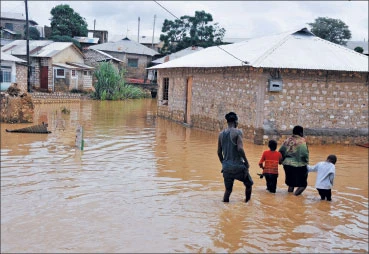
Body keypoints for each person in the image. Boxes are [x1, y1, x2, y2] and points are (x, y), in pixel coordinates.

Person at [217, 112, 253, 203]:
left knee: (228, 190)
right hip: (238, 167)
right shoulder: (238, 132)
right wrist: (247, 163)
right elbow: (240, 149)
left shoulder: (221, 134)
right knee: (249, 184)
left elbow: (219, 152)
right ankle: (247, 204)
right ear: (236, 122)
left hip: (227, 168)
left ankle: (225, 206)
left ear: (227, 122)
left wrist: (224, 164)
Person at [278, 125, 309, 196]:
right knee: (303, 185)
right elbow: (304, 154)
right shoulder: (302, 141)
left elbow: (281, 152)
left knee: (291, 184)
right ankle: (295, 197)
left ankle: (289, 198)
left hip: (287, 165)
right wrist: (306, 162)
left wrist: (281, 161)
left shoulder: (287, 140)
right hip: (299, 165)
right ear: (301, 133)